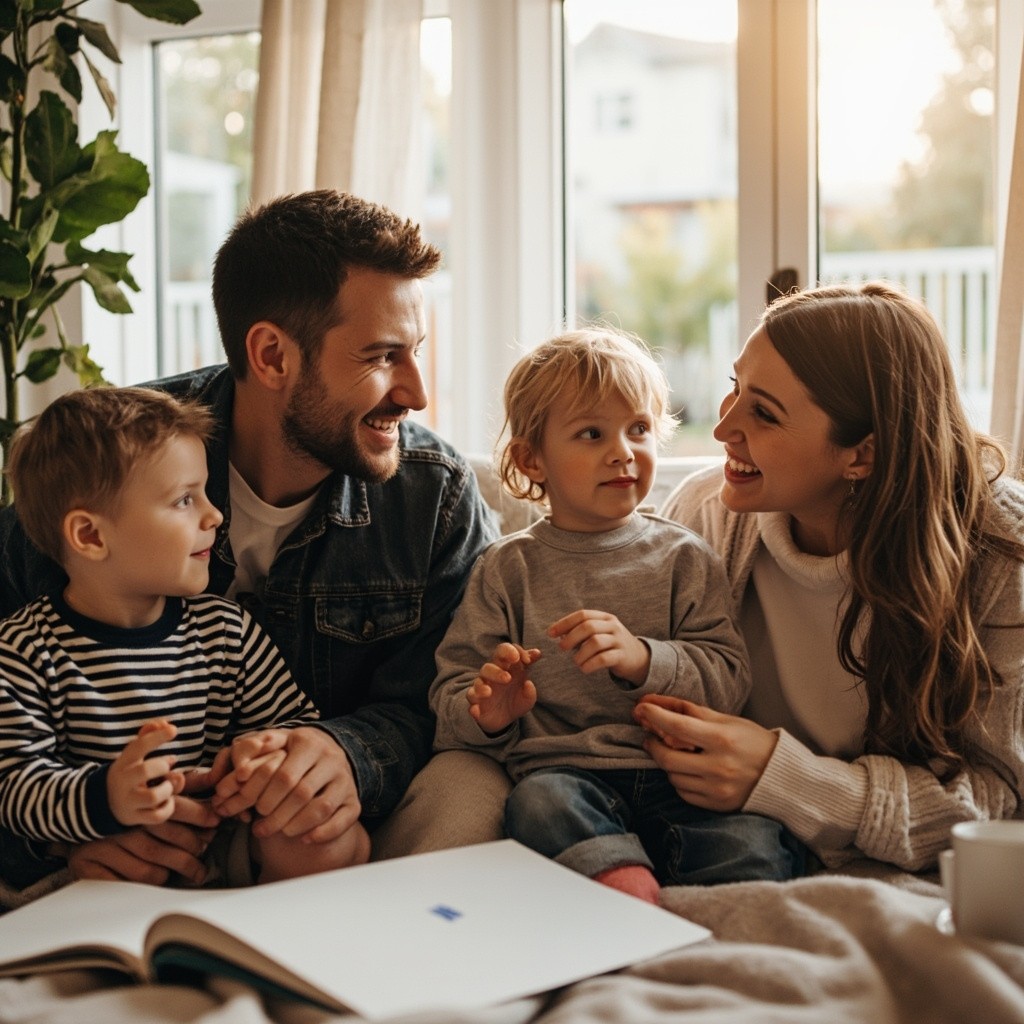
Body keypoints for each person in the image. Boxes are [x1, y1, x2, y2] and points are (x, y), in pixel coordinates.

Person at [0, 190, 501, 896]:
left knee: (468, 786)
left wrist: (342, 751)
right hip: (108, 836)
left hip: (301, 835)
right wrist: (61, 847)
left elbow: (443, 703)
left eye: (414, 352)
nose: (416, 392)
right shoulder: (110, 465)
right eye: (384, 356)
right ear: (271, 355)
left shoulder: (433, 497)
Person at [638, 281, 1024, 874]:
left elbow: (997, 801)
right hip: (729, 845)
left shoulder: (1001, 554)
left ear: (861, 455)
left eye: (763, 412)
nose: (722, 430)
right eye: (734, 387)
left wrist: (784, 778)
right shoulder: (703, 516)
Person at [430, 328, 805, 904]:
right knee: (535, 806)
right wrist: (489, 713)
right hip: (566, 777)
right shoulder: (507, 569)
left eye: (639, 429)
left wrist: (646, 659)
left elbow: (730, 681)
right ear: (532, 459)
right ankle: (627, 892)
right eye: (590, 433)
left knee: (758, 839)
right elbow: (452, 693)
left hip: (681, 777)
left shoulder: (685, 556)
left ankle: (722, 910)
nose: (623, 452)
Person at [0, 386, 369, 884]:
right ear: (90, 536)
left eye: (205, 493)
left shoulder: (226, 632)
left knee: (323, 835)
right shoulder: (24, 651)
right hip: (102, 861)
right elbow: (14, 787)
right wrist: (106, 797)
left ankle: (279, 948)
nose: (214, 515)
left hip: (219, 841)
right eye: (184, 500)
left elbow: (293, 724)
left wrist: (263, 757)